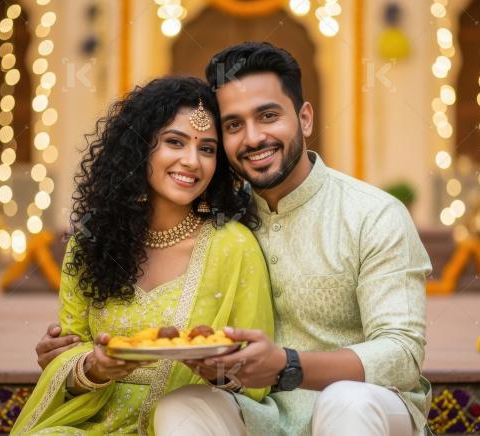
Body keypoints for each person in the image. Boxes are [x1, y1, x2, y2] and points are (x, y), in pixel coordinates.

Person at [37, 42, 433, 436]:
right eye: (233, 125)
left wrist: (288, 365)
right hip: (262, 415)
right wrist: (72, 362)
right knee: (182, 406)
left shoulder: (372, 214)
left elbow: (402, 354)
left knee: (345, 400)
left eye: (268, 116)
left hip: (367, 409)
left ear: (305, 118)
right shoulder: (221, 216)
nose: (253, 137)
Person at [12, 76, 274, 436]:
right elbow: (64, 358)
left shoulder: (233, 246)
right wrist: (93, 368)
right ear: (140, 147)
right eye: (174, 142)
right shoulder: (92, 240)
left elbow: (256, 384)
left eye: (208, 149)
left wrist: (218, 373)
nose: (191, 161)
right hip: (88, 425)